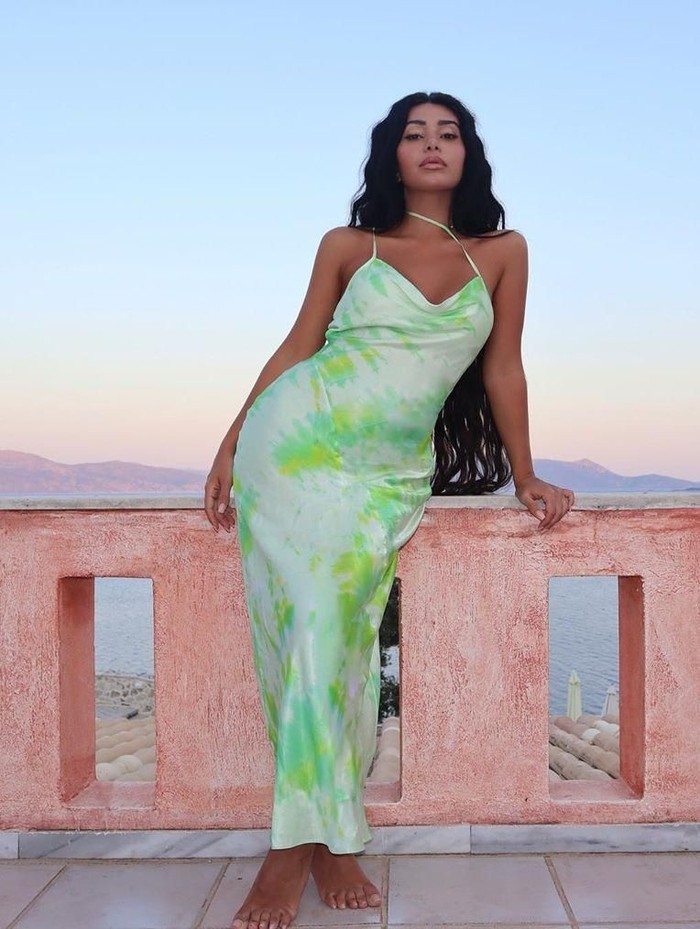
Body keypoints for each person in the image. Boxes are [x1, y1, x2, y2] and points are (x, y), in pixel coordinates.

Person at [204, 90, 575, 929]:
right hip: (296, 448)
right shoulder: (350, 246)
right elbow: (299, 344)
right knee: (315, 637)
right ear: (392, 154)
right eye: (415, 134)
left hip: (385, 476)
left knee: (337, 644)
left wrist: (526, 472)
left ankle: (323, 837)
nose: (433, 144)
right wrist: (231, 441)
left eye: (448, 133)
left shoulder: (503, 252)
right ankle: (300, 848)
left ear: (468, 153)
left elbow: (504, 367)